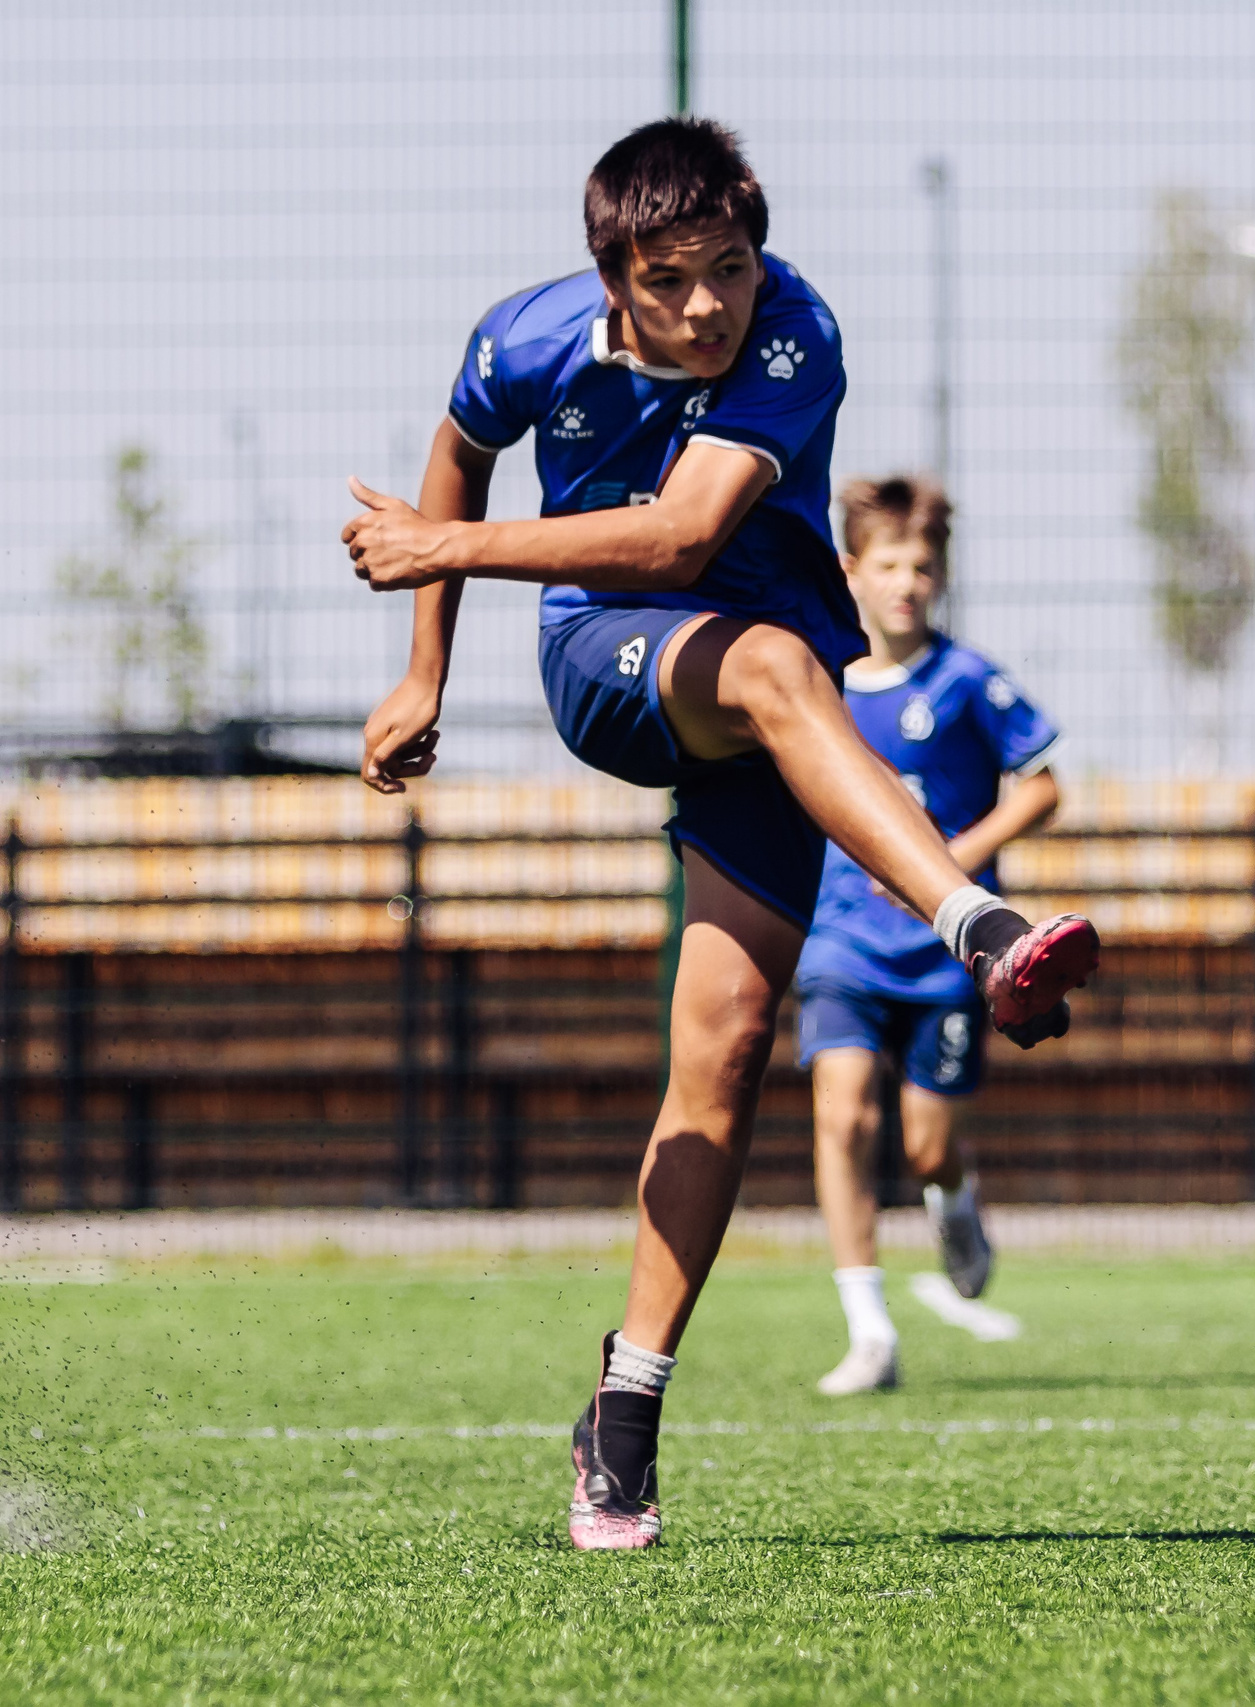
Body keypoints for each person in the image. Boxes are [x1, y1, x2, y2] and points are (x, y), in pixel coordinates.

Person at [343, 119, 1099, 1551]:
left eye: (727, 272)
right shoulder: (529, 336)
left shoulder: (796, 329)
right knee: (771, 667)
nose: (707, 309)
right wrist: (424, 668)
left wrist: (447, 553)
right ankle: (984, 924)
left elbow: (683, 534)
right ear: (610, 273)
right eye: (670, 283)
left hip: (767, 698)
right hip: (611, 659)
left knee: (731, 1050)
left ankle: (622, 1414)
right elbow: (461, 447)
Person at [797, 476, 1063, 1396]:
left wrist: (950, 857)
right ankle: (868, 1329)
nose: (908, 582)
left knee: (923, 1146)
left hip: (949, 950)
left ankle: (954, 1199)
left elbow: (1042, 784)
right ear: (850, 571)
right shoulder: (812, 685)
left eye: (923, 565)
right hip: (840, 941)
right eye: (889, 564)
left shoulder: (966, 679)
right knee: (841, 1114)